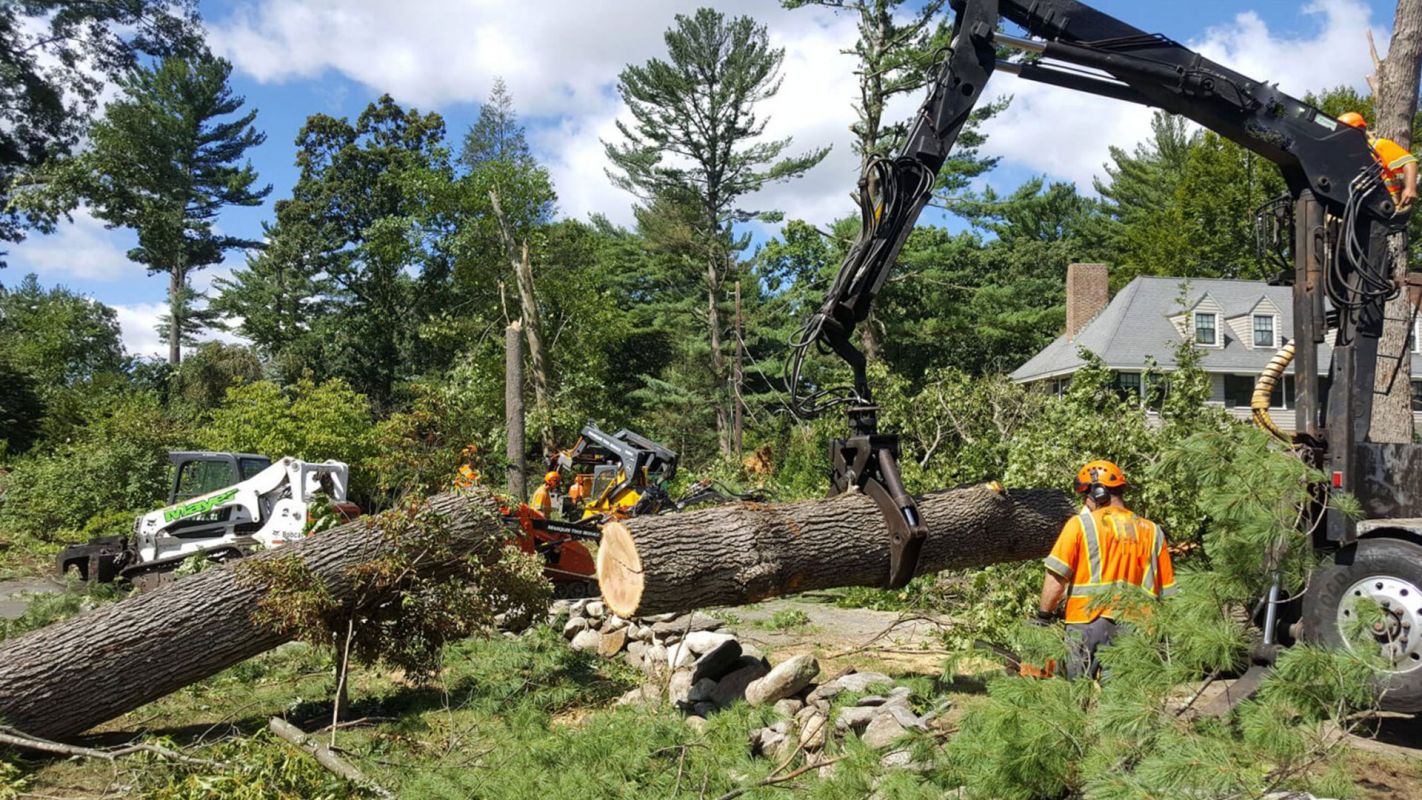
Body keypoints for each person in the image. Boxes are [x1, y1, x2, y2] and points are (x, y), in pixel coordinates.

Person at [1036, 460, 1176, 680]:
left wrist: (1044, 615)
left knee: (1073, 701)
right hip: (1137, 629)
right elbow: (1168, 592)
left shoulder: (1080, 525)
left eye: (1086, 495)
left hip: (1086, 622)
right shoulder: (1153, 532)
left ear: (1098, 492)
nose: (1085, 502)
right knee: (1122, 705)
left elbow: (1056, 576)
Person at [1339, 111, 1419, 211]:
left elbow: (1409, 162)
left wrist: (1410, 189)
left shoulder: (1379, 145)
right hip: (1359, 203)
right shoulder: (1348, 155)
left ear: (1360, 130)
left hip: (1386, 203)